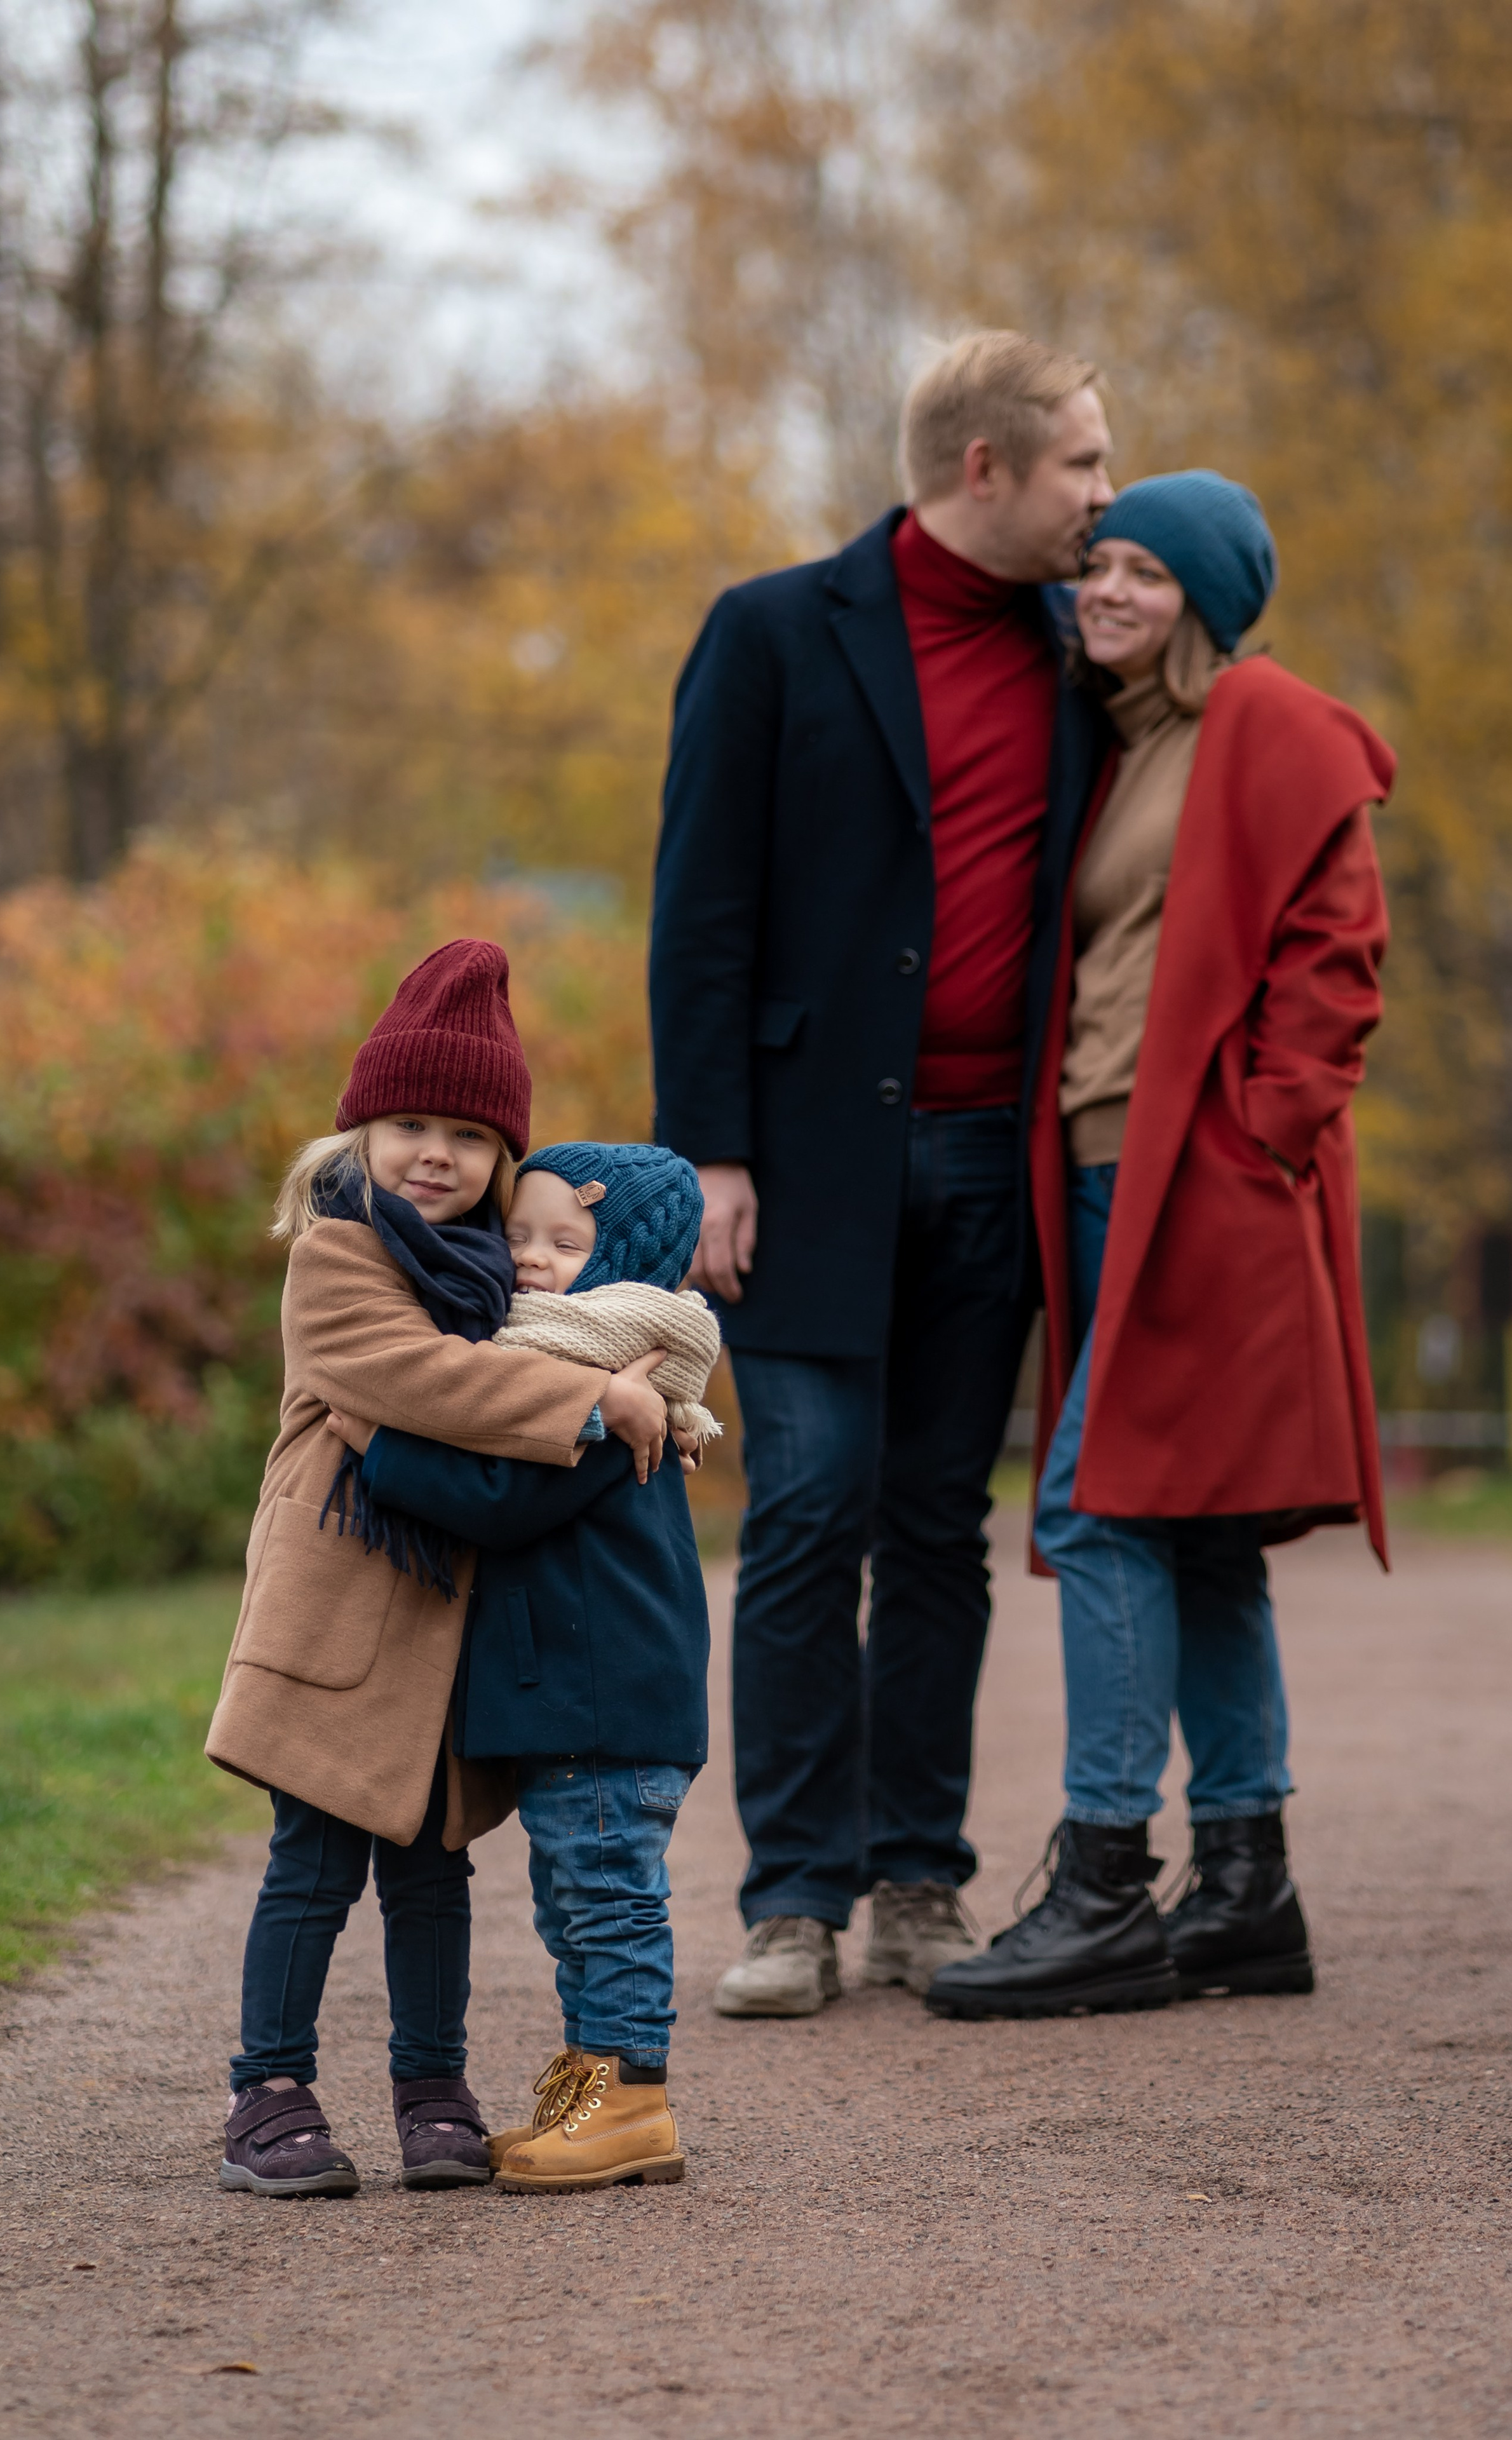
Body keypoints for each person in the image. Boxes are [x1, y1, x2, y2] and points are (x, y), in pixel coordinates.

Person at [649, 329, 1115, 2014]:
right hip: (805, 1168)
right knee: (806, 1512)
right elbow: (699, 913)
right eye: (1082, 463)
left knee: (935, 1527)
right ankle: (792, 1899)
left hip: (1003, 1166)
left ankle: (919, 1882)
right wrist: (710, 1153)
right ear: (983, 469)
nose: (1103, 494)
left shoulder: (1086, 646)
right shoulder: (775, 632)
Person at [927, 472, 1392, 2023]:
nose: (1104, 591)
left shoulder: (1270, 727)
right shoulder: (1125, 744)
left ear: (1202, 595)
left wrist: (1262, 1131)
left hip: (1193, 1179)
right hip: (1099, 1171)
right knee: (1188, 1523)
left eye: (1138, 571)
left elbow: (1335, 957)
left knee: (1099, 1502)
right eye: (1095, 565)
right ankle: (1248, 1884)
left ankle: (1106, 1881)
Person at [206, 942, 668, 2196]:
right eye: (409, 1122)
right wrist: (592, 1399)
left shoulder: (497, 1289)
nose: (435, 1153)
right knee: (312, 1865)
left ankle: (430, 2082)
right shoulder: (341, 1260)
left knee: (430, 1874)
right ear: (360, 1130)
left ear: (500, 1158)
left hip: (441, 1630)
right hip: (340, 1619)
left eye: (467, 1134)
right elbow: (427, 1387)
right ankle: (270, 2089)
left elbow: (498, 1383)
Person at [323, 1141, 717, 2192]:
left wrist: (379, 1443)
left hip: (607, 1699)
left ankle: (632, 2099)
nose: (533, 1260)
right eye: (520, 1235)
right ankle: (590, 2085)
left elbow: (499, 1502)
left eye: (567, 1241)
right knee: (573, 1903)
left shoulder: (604, 1368)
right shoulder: (554, 1358)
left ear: (623, 1258)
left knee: (610, 1900)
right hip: (576, 1697)